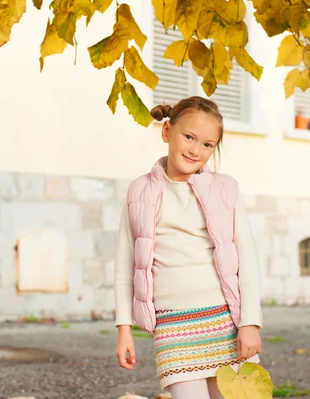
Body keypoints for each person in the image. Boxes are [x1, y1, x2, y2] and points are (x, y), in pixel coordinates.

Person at [113, 96, 263, 399]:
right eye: (189, 137)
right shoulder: (139, 192)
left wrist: (250, 322)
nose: (196, 150)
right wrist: (123, 329)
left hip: (224, 321)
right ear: (167, 131)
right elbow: (124, 266)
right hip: (173, 327)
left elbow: (246, 259)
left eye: (208, 145)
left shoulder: (225, 190)